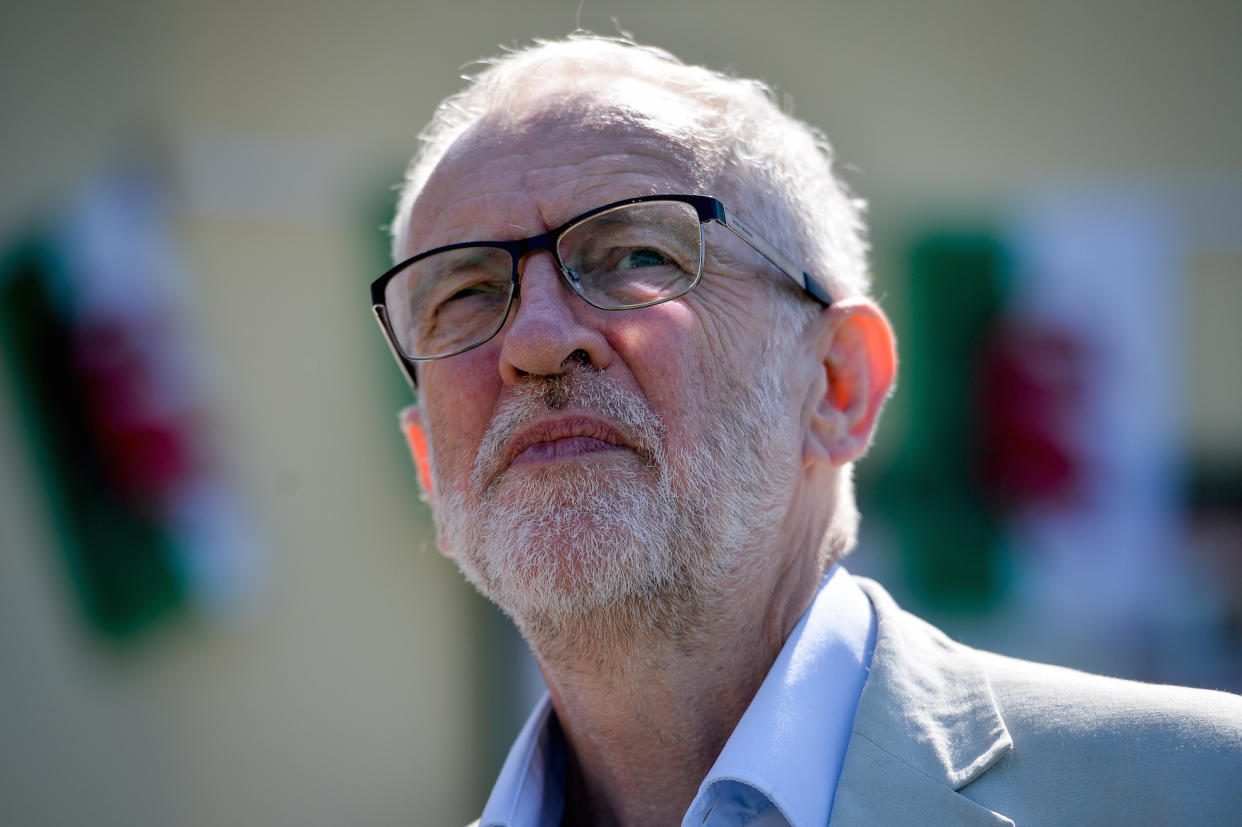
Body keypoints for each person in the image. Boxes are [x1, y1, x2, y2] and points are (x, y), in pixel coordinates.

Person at [370, 35, 1242, 826]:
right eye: (466, 294)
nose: (534, 339)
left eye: (638, 255)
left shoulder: (1204, 787)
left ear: (838, 384)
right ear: (430, 470)